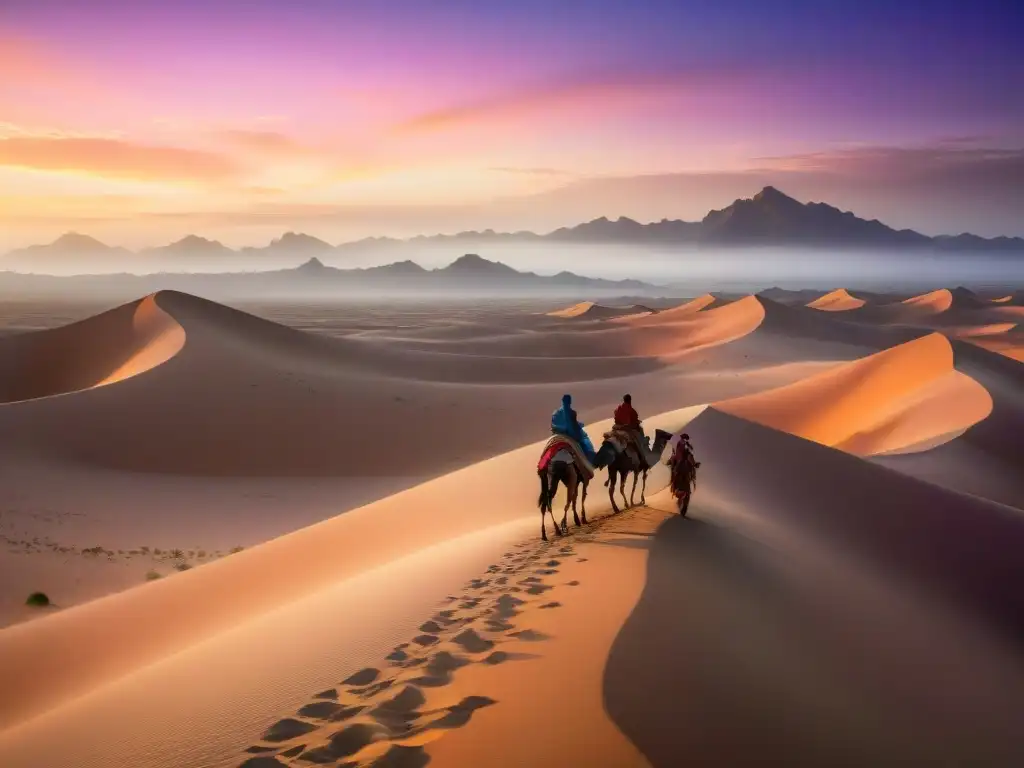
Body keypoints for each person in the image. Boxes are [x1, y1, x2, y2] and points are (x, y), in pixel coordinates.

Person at [551, 393, 597, 463]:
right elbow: (572, 425)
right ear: (570, 402)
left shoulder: (556, 413)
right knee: (585, 441)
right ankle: (591, 462)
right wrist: (579, 425)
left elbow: (554, 425)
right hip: (570, 433)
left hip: (557, 433)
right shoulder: (571, 412)